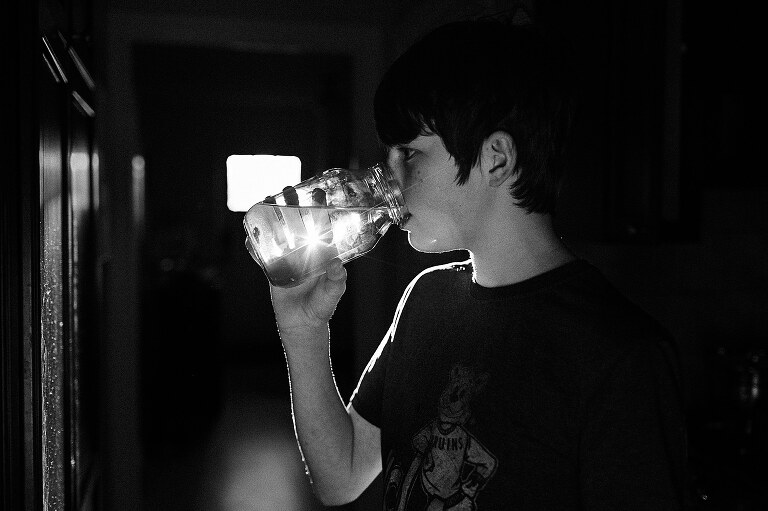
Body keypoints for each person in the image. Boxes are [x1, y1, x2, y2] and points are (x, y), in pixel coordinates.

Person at [267, 16, 688, 511]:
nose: (389, 180)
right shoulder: (427, 299)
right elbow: (341, 476)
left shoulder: (619, 356)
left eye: (409, 153)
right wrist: (303, 330)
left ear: (496, 158)